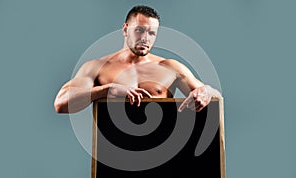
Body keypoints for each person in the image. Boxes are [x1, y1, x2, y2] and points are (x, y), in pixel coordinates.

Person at [54, 5, 221, 114]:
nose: (145, 38)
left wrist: (207, 91)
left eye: (151, 33)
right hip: (113, 155)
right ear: (125, 29)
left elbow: (215, 97)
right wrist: (108, 90)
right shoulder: (98, 67)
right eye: (139, 30)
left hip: (163, 153)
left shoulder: (169, 67)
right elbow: (61, 104)